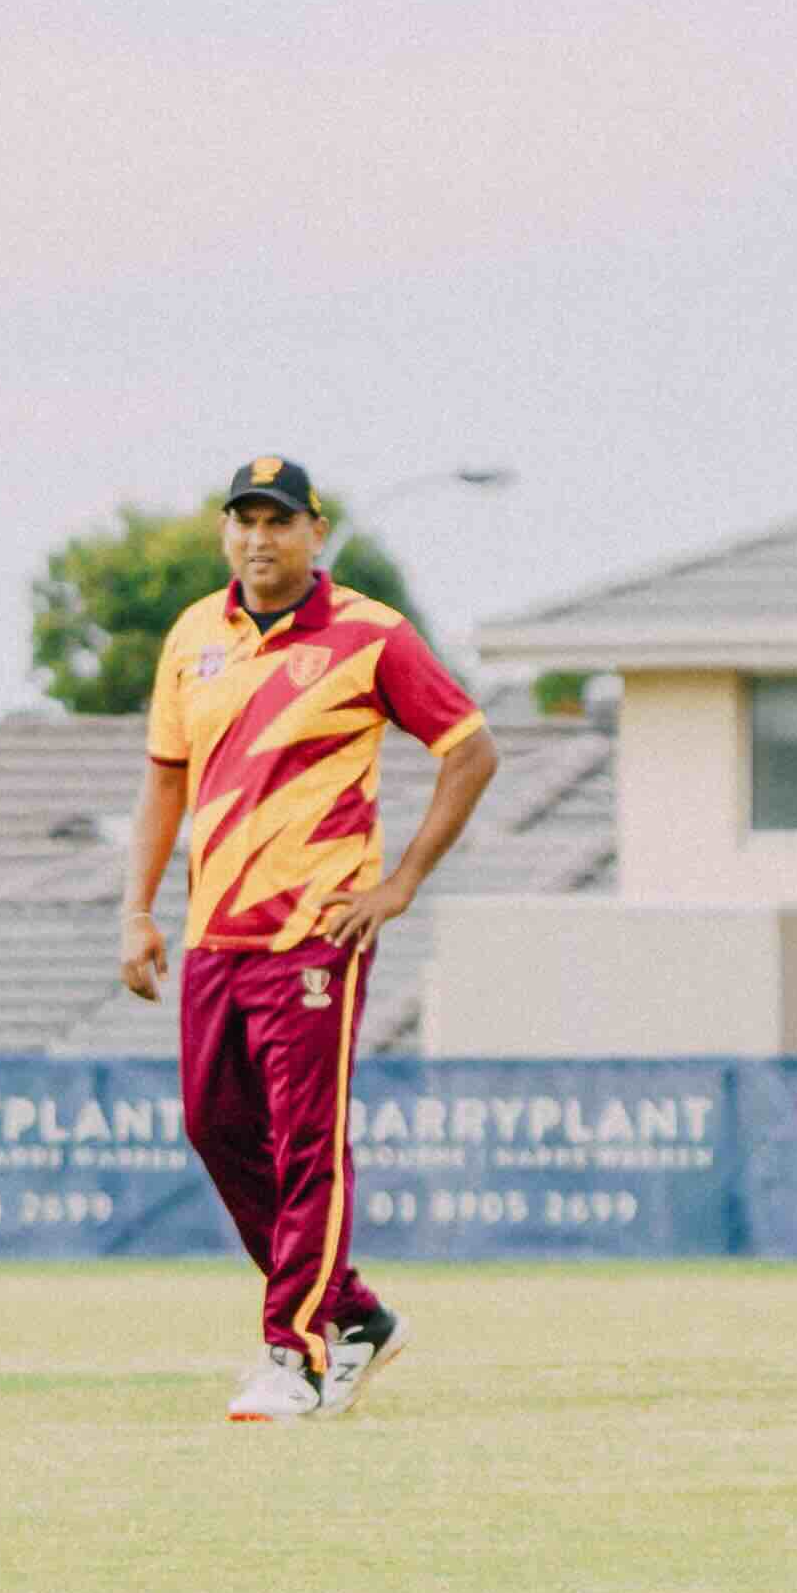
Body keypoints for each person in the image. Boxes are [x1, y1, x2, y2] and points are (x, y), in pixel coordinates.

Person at [119, 456, 495, 1424]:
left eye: (277, 521)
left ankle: (296, 1350)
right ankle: (355, 1312)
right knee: (210, 1124)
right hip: (213, 934)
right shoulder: (191, 637)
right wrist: (136, 909)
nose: (257, 538)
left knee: (306, 1141)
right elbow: (164, 779)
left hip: (314, 934)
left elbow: (469, 748)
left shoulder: (369, 635)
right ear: (221, 533)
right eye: (241, 520)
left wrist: (398, 882)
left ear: (313, 532)